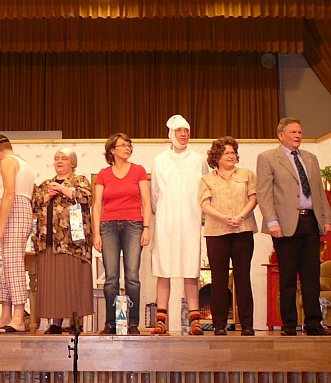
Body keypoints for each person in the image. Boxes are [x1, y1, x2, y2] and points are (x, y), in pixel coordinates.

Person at [256, 117, 331, 336]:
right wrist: (272, 222)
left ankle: (313, 323)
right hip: (284, 224)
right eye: (293, 132)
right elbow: (264, 193)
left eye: (299, 132)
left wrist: (326, 218)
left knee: (311, 276)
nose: (298, 136)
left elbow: (318, 191)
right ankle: (289, 324)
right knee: (288, 277)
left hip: (310, 221)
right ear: (281, 135)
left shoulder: (310, 158)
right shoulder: (268, 158)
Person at [150, 115, 207, 336]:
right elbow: (155, 194)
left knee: (190, 270)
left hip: (191, 221)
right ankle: (161, 321)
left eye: (186, 131)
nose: (183, 134)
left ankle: (195, 320)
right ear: (171, 134)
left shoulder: (198, 160)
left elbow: (204, 190)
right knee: (164, 270)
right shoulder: (160, 160)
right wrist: (164, 213)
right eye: (179, 131)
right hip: (166, 222)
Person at [92, 133, 152, 335]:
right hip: (108, 226)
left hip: (133, 225)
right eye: (123, 145)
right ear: (112, 150)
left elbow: (146, 202)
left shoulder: (138, 171)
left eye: (129, 145)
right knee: (111, 278)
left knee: (132, 277)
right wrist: (96, 233)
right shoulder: (103, 174)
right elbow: (97, 205)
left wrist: (146, 227)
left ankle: (132, 322)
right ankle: (112, 322)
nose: (127, 148)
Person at [199, 137, 258, 336]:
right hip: (216, 233)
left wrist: (240, 216)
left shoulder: (247, 174)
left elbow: (253, 198)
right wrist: (224, 218)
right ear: (217, 156)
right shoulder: (207, 179)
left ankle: (247, 325)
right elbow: (205, 204)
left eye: (233, 152)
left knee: (242, 277)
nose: (231, 156)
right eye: (227, 153)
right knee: (218, 279)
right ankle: (219, 324)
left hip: (243, 230)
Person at [32, 148, 94, 334]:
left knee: (74, 281)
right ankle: (55, 323)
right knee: (54, 285)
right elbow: (34, 204)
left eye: (64, 158)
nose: (59, 161)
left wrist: (63, 190)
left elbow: (87, 198)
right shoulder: (46, 184)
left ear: (72, 163)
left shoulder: (80, 181)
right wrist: (47, 196)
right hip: (49, 242)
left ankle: (76, 322)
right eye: (56, 158)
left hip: (73, 243)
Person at [0, 135, 35, 334]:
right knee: (5, 264)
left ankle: (18, 317)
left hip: (14, 210)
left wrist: (0, 226)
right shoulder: (25, 164)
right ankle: (6, 315)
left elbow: (9, 193)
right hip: (20, 209)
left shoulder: (7, 161)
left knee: (13, 264)